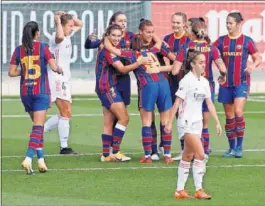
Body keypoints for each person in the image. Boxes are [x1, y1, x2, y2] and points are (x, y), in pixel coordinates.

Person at [165, 49, 222, 199]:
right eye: (201, 62)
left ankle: (179, 191)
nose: (204, 65)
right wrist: (169, 122)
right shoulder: (186, 81)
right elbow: (177, 103)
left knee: (188, 155)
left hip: (197, 123)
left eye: (205, 62)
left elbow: (209, 104)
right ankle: (199, 190)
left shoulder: (204, 82)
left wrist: (217, 122)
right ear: (193, 64)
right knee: (200, 154)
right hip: (185, 122)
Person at [9, 21, 62, 174]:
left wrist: (24, 71)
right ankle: (28, 158)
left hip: (26, 92)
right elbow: (53, 67)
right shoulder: (43, 47)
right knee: (38, 127)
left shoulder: (19, 50)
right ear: (37, 33)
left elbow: (11, 72)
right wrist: (59, 69)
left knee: (36, 128)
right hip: (41, 91)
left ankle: (41, 161)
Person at [95, 24, 152, 162]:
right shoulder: (109, 51)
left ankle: (105, 155)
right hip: (107, 86)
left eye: (118, 36)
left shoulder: (114, 48)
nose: (116, 38)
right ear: (108, 35)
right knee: (124, 118)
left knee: (108, 121)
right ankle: (115, 151)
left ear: (122, 36)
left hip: (105, 86)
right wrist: (139, 62)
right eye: (113, 35)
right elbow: (122, 69)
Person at [172, 18, 227, 158]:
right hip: (206, 86)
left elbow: (174, 71)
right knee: (205, 123)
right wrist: (223, 76)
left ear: (193, 31)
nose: (186, 29)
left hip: (190, 88)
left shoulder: (186, 47)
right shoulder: (212, 48)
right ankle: (204, 151)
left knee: (187, 121)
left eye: (188, 27)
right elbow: (222, 68)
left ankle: (187, 152)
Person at [214, 12, 261, 158]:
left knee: (238, 112)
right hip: (226, 83)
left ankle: (239, 147)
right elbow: (212, 53)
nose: (228, 25)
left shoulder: (247, 41)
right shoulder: (221, 41)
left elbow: (257, 57)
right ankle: (231, 148)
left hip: (242, 81)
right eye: (227, 23)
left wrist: (253, 65)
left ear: (238, 24)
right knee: (229, 116)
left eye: (231, 23)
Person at [44, 11, 83, 154]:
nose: (72, 28)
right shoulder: (56, 38)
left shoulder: (68, 34)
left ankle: (38, 132)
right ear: (62, 26)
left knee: (65, 112)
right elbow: (60, 35)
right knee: (65, 111)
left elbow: (80, 24)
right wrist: (58, 22)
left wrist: (68, 15)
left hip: (64, 78)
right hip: (57, 77)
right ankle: (64, 147)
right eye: (69, 26)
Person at [163, 12, 191, 161]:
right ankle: (181, 149)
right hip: (171, 83)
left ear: (184, 24)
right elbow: (162, 55)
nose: (175, 25)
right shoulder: (167, 39)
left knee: (186, 116)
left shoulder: (188, 40)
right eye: (173, 22)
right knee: (175, 115)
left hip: (186, 84)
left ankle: (192, 149)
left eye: (178, 23)